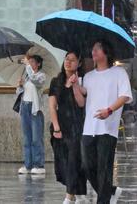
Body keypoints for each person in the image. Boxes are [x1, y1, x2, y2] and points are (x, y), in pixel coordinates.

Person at [79, 40, 132, 204]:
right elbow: (82, 100)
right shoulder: (88, 76)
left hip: (108, 129)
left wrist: (109, 110)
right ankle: (111, 191)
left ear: (106, 52)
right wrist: (74, 84)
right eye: (92, 48)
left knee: (104, 169)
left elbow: (124, 96)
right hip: (89, 128)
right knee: (87, 166)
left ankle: (103, 200)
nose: (93, 52)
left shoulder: (119, 73)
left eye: (97, 49)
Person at [49, 51, 87, 204]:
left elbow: (81, 103)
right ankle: (78, 192)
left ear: (79, 63)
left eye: (72, 60)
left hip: (76, 128)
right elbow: (52, 106)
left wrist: (75, 85)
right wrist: (57, 128)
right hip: (60, 126)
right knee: (63, 163)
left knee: (73, 160)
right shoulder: (56, 81)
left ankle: (69, 197)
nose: (68, 62)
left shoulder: (82, 81)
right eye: (66, 59)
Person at [18, 54, 46, 175]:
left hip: (35, 109)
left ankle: (38, 164)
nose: (30, 64)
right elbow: (20, 93)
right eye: (29, 62)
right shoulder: (27, 76)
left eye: (33, 62)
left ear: (38, 64)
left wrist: (28, 66)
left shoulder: (41, 76)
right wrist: (19, 86)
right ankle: (28, 164)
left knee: (36, 138)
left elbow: (35, 80)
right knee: (26, 138)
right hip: (24, 106)